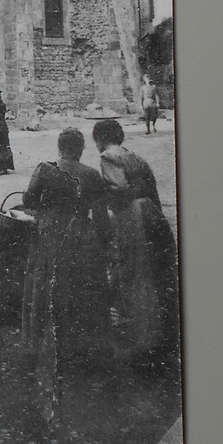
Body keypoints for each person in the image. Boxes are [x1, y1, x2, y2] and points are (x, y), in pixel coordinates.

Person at [20, 127, 115, 428]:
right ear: (81, 148)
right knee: (77, 289)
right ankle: (79, 345)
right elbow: (100, 218)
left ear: (60, 147)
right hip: (78, 236)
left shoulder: (44, 170)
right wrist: (103, 245)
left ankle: (39, 341)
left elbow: (29, 200)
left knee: (46, 284)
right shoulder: (91, 175)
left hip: (49, 233)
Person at [92, 118, 179, 370]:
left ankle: (142, 339)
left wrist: (106, 206)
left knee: (135, 274)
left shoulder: (109, 157)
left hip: (133, 217)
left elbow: (118, 188)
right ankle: (161, 337)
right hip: (150, 214)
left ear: (99, 139)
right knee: (156, 274)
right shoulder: (135, 157)